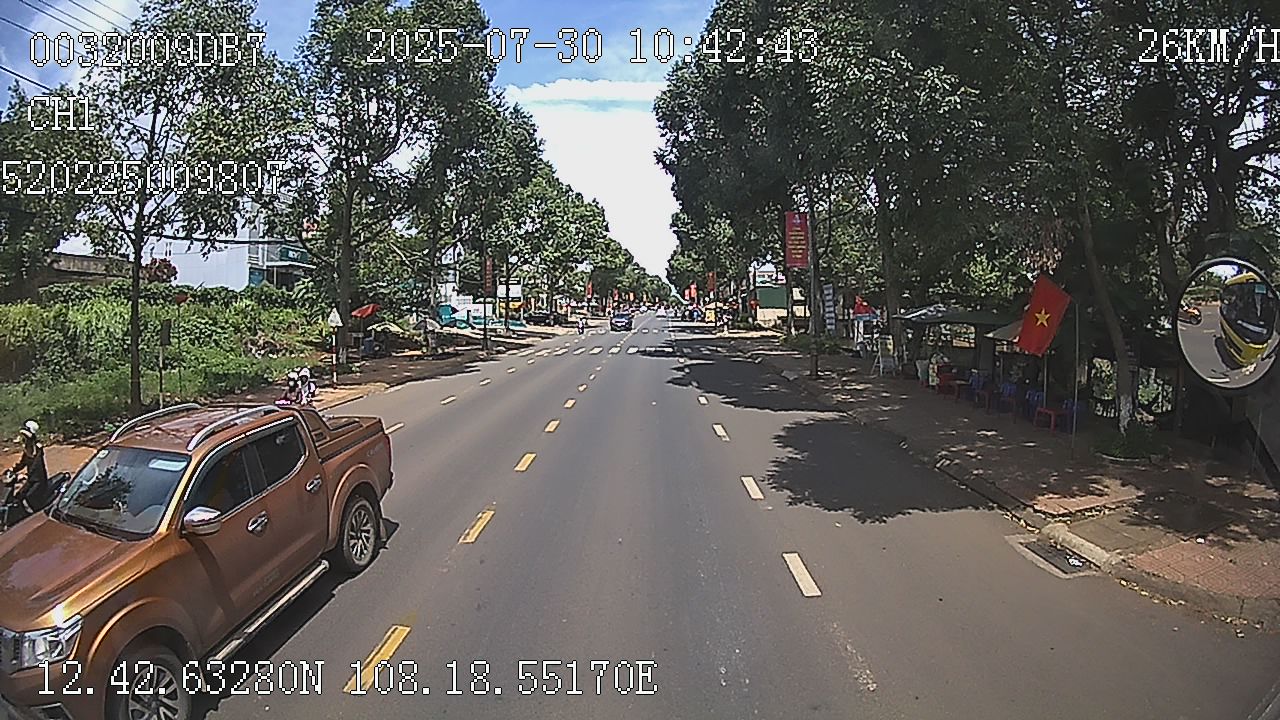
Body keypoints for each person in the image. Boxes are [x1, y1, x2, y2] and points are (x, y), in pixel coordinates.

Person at [7, 420, 50, 513]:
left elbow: (36, 464)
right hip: (31, 479)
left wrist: (25, 475)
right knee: (19, 495)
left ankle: (34, 515)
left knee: (28, 498)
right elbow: (23, 462)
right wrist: (13, 469)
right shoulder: (28, 448)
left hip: (38, 480)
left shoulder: (37, 448)